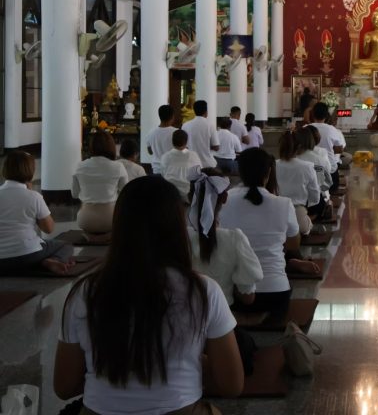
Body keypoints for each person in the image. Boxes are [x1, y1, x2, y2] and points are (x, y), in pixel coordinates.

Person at [54, 177, 243, 412]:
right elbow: (232, 384)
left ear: (120, 225)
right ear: (177, 227)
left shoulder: (85, 293)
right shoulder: (204, 291)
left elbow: (64, 386)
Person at [187, 170, 263, 374]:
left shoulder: (178, 238)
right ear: (225, 198)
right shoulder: (234, 238)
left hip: (181, 326)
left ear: (189, 196)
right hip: (221, 324)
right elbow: (248, 298)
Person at [219, 148, 301, 317]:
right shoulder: (284, 204)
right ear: (269, 171)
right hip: (276, 294)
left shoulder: (224, 199)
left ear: (239, 171)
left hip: (235, 295)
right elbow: (293, 244)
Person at [0, 151, 74, 275]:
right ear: (30, 171)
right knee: (65, 245)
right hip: (27, 254)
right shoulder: (33, 197)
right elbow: (49, 229)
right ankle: (49, 261)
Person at [72, 132, 128, 235]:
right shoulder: (118, 167)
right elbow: (126, 193)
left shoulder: (80, 166)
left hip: (85, 220)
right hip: (111, 219)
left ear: (91, 146)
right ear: (112, 147)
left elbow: (74, 194)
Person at [275, 131, 320, 235]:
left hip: (276, 208)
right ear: (299, 147)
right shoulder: (307, 166)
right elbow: (315, 196)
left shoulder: (273, 165)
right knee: (302, 230)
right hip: (298, 208)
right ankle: (308, 219)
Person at [295, 125, 333, 219]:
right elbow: (327, 183)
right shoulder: (320, 160)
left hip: (290, 203)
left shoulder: (287, 160)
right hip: (314, 205)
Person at [310, 103, 345, 192]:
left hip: (310, 170)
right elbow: (340, 149)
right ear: (326, 115)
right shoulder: (332, 129)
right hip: (330, 170)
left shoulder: (306, 128)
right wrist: (327, 149)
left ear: (313, 114)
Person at [160, 129, 203, 202]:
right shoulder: (193, 155)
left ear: (172, 142)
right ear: (186, 142)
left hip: (171, 192)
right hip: (188, 193)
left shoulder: (165, 156)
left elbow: (163, 173)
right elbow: (199, 172)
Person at [182, 100, 221, 168]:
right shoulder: (210, 125)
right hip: (207, 165)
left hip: (191, 164)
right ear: (206, 112)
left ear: (194, 111)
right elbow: (216, 147)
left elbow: (184, 146)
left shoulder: (185, 125)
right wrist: (206, 144)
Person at [145, 104, 177, 175]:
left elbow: (150, 152)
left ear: (159, 116)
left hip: (157, 169)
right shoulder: (176, 132)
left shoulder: (151, 133)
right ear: (172, 116)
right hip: (172, 170)